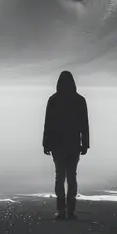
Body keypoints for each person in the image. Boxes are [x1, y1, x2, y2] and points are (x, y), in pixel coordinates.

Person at [42, 70, 89, 220]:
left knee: (59, 176)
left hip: (57, 144)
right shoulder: (79, 100)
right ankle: (71, 210)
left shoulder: (53, 100)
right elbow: (84, 125)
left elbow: (48, 124)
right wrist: (85, 144)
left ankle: (61, 210)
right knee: (72, 176)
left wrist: (46, 143)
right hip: (74, 143)